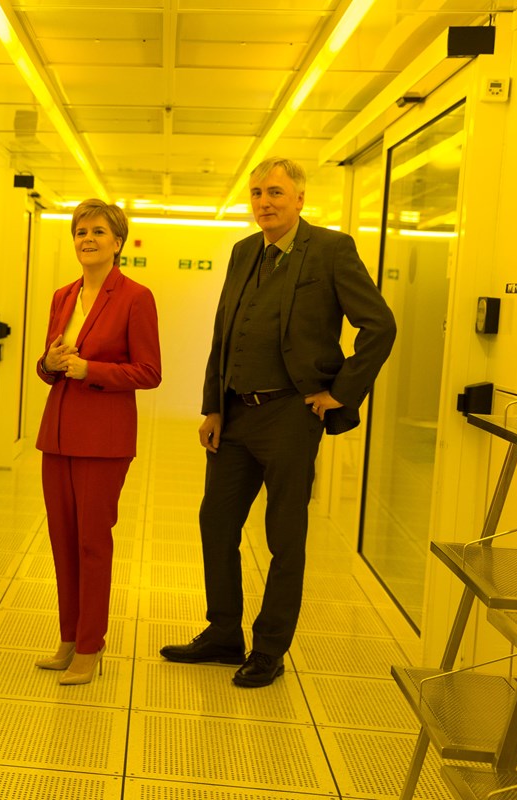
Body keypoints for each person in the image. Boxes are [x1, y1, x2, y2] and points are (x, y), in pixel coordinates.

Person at [161, 157, 395, 687]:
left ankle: (269, 648)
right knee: (216, 522)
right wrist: (213, 406)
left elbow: (379, 325)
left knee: (283, 536)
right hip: (236, 414)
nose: (264, 201)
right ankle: (223, 633)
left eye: (275, 192)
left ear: (299, 199)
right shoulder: (245, 251)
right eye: (257, 193)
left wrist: (340, 393)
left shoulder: (331, 250)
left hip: (292, 414)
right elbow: (224, 334)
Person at [35, 199, 161, 685]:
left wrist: (92, 369)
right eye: (80, 231)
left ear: (118, 242)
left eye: (98, 232)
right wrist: (50, 361)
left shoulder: (135, 297)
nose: (87, 239)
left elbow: (149, 372)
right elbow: (49, 369)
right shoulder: (63, 296)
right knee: (62, 541)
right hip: (59, 433)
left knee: (91, 542)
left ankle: (91, 645)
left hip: (104, 439)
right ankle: (68, 638)